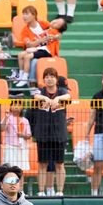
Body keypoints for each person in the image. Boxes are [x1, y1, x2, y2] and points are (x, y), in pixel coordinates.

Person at [33, 67, 70, 196]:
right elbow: (36, 96)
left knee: (60, 164)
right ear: (43, 79)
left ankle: (59, 191)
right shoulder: (40, 91)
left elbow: (68, 95)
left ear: (56, 78)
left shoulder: (62, 91)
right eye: (47, 76)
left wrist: (57, 99)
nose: (49, 79)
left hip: (59, 133)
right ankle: (41, 191)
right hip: (43, 133)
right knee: (42, 164)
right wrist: (47, 99)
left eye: (52, 76)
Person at [11, 6, 67, 87]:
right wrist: (42, 40)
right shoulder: (25, 30)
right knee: (21, 55)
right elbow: (29, 44)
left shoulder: (43, 24)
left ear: (34, 15)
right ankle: (21, 75)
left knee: (33, 61)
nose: (24, 16)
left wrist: (56, 36)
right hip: (36, 48)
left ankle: (29, 82)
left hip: (45, 50)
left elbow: (57, 32)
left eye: (26, 14)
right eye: (23, 14)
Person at [1, 102, 32, 171]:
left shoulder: (25, 120)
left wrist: (23, 135)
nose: (16, 107)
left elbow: (29, 135)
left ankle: (20, 182)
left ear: (22, 108)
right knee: (9, 168)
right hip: (10, 147)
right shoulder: (8, 118)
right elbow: (2, 129)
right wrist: (6, 118)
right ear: (11, 107)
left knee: (20, 170)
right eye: (14, 105)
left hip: (22, 148)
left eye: (19, 105)